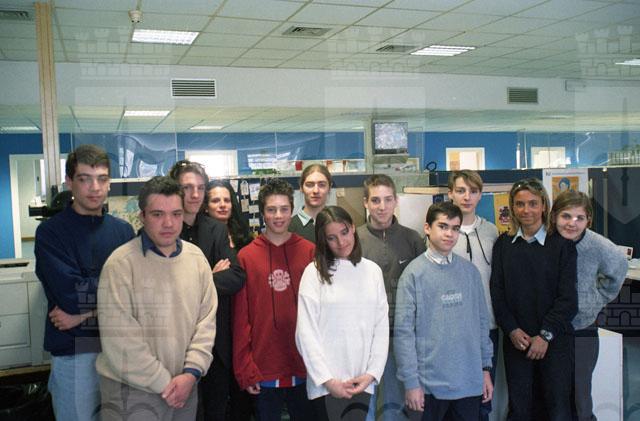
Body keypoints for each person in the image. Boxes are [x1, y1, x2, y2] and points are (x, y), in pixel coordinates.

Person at [96, 176, 218, 421]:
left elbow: (206, 323)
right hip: (131, 393)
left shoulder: (196, 260)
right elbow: (120, 339)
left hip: (185, 388)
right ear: (142, 216)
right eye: (157, 214)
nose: (168, 223)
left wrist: (191, 374)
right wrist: (166, 384)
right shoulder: (120, 265)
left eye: (176, 214)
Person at [34, 144, 135, 421]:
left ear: (110, 182)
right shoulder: (50, 233)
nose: (95, 187)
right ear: (69, 182)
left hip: (119, 345)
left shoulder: (123, 231)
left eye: (102, 179)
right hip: (75, 350)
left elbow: (136, 293)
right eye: (85, 179)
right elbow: (72, 297)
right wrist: (116, 288)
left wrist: (83, 315)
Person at [395, 201, 494, 421]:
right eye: (443, 226)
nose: (449, 234)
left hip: (469, 383)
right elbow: (404, 334)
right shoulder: (413, 275)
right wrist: (411, 383)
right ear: (427, 228)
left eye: (455, 228)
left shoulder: (470, 273)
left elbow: (481, 324)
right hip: (429, 387)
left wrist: (485, 369)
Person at [490, 178, 577, 421]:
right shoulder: (503, 245)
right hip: (517, 342)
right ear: (512, 207)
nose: (526, 210)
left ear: (543, 206)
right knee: (520, 409)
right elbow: (497, 293)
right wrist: (511, 329)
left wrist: (545, 335)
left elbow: (568, 299)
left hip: (555, 341)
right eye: (520, 204)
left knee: (558, 409)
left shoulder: (562, 245)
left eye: (532, 203)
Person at [232, 178, 316, 421]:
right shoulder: (246, 256)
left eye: (284, 209)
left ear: (292, 210)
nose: (278, 216)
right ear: (262, 213)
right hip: (263, 366)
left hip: (304, 362)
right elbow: (241, 319)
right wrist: (245, 368)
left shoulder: (309, 252)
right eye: (271, 210)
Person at [169, 161, 246, 421]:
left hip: (215, 345)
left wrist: (189, 285)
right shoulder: (165, 230)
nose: (195, 194)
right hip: (175, 344)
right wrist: (208, 277)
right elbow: (164, 287)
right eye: (187, 187)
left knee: (215, 412)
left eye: (200, 188)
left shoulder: (216, 229)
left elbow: (235, 277)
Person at [296, 206, 389, 421]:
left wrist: (371, 373)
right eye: (332, 237)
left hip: (362, 382)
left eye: (344, 232)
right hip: (326, 386)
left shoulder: (372, 271)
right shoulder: (314, 273)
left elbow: (381, 328)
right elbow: (305, 334)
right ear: (323, 241)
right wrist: (328, 380)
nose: (341, 242)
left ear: (353, 228)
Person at [550, 190, 627, 421]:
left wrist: (595, 300)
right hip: (550, 330)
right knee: (554, 395)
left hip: (582, 329)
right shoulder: (547, 242)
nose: (571, 223)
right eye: (566, 216)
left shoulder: (598, 246)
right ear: (554, 216)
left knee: (580, 395)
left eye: (579, 218)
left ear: (588, 221)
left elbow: (618, 268)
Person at [356, 174, 426, 421]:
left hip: (402, 336)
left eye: (387, 199)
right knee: (363, 405)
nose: (382, 206)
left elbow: (423, 290)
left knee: (396, 406)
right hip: (365, 337)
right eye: (375, 200)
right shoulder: (353, 240)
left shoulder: (413, 239)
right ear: (366, 203)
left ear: (396, 201)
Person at [447, 170, 499, 421]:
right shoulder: (443, 232)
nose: (467, 197)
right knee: (454, 400)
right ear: (450, 194)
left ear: (480, 195)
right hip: (452, 328)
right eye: (460, 190)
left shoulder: (492, 232)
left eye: (473, 191)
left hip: (487, 326)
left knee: (484, 397)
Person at [206, 179, 253, 251]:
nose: (222, 205)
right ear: (206, 207)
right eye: (215, 201)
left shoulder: (243, 235)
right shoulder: (201, 238)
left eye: (227, 200)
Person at [289, 164, 332, 242]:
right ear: (301, 188)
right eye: (309, 185)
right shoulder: (289, 227)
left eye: (322, 185)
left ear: (329, 188)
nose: (316, 191)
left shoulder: (338, 222)